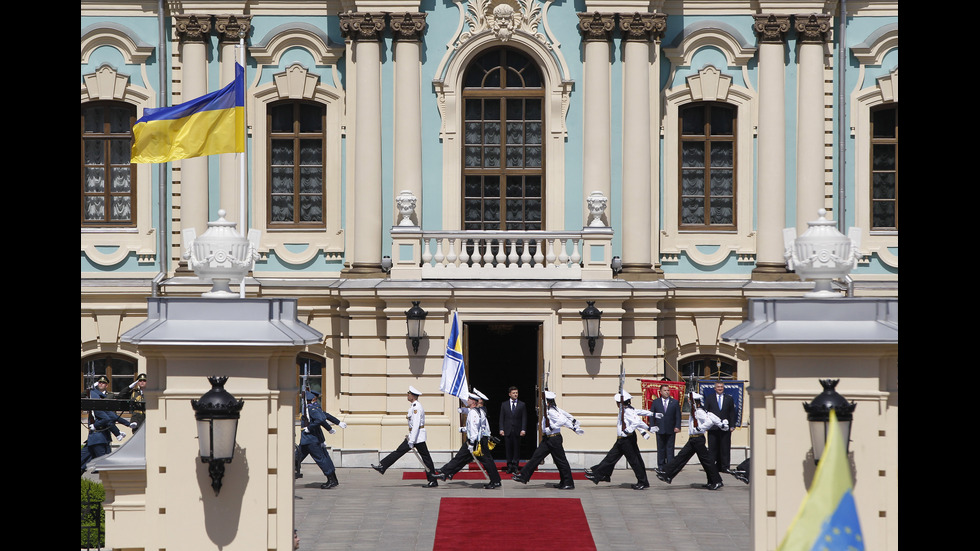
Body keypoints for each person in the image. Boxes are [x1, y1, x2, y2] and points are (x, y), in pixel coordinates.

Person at [511, 390, 583, 489]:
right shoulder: (554, 409)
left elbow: (562, 420)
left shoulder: (551, 411)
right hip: (548, 439)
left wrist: (551, 428)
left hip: (554, 439)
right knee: (536, 457)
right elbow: (566, 415)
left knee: (561, 461)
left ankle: (568, 483)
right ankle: (523, 476)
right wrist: (573, 421)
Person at [584, 391, 655, 490]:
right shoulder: (626, 409)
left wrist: (634, 430)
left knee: (634, 461)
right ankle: (599, 474)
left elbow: (636, 422)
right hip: (622, 439)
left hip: (627, 439)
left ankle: (642, 481)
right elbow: (639, 414)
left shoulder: (627, 411)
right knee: (611, 457)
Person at [371, 386, 440, 487]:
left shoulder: (417, 407)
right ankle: (383, 466)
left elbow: (416, 425)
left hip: (417, 438)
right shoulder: (413, 406)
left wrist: (412, 440)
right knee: (401, 451)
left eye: (409, 394)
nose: (407, 395)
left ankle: (433, 480)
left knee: (425, 458)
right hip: (414, 436)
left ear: (413, 396)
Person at [654, 392, 725, 490]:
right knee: (681, 457)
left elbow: (709, 422)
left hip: (698, 439)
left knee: (706, 462)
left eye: (690, 400)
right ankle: (667, 474)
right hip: (693, 439)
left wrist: (700, 428)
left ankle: (717, 481)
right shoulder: (695, 411)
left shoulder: (699, 411)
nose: (688, 402)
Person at [434, 392, 501, 489]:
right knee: (462, 458)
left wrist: (472, 444)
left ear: (473, 402)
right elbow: (478, 427)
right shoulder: (479, 411)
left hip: (476, 441)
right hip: (479, 440)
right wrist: (463, 429)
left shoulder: (473, 412)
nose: (467, 400)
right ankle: (446, 472)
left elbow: (474, 429)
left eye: (469, 399)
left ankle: (495, 481)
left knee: (485, 460)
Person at [81, 376, 136, 475]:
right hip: (94, 438)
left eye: (103, 383)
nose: (101, 384)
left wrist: (96, 425)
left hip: (99, 437)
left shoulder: (100, 403)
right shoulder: (93, 400)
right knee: (87, 462)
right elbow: (112, 416)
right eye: (99, 383)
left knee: (102, 465)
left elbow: (110, 417)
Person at [294, 390, 347, 489]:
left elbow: (321, 419)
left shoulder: (311, 409)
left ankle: (331, 480)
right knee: (296, 458)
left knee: (321, 459)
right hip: (307, 440)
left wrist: (310, 428)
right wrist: (334, 425)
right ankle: (287, 477)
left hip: (311, 440)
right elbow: (325, 416)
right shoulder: (310, 408)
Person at [704, 381, 737, 475]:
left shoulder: (729, 398)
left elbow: (731, 413)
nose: (720, 388)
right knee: (713, 448)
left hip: (725, 428)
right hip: (713, 428)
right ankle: (713, 467)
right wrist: (706, 425)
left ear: (723, 388)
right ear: (715, 388)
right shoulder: (710, 398)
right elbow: (705, 412)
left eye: (721, 387)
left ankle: (725, 467)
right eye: (718, 387)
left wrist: (732, 425)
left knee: (725, 448)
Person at [650, 383, 681, 470]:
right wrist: (652, 426)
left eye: (668, 390)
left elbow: (678, 416)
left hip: (671, 429)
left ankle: (670, 467)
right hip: (660, 428)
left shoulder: (674, 402)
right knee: (661, 448)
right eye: (665, 390)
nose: (667, 392)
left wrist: (677, 426)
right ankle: (661, 466)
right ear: (660, 392)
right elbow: (652, 415)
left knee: (670, 448)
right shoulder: (656, 402)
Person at [498, 386, 527, 474]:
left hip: (518, 430)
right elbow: (501, 417)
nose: (515, 394)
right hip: (507, 430)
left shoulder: (522, 404)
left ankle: (515, 466)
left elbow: (524, 418)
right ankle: (509, 466)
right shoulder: (504, 404)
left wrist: (523, 429)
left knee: (516, 449)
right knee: (508, 449)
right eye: (514, 393)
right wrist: (501, 429)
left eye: (516, 393)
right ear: (509, 394)